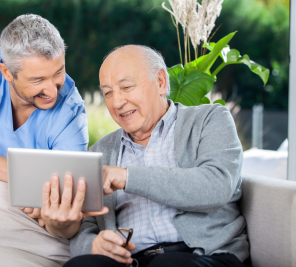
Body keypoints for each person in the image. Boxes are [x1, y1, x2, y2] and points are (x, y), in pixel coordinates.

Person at [66, 45, 249, 267]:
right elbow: (86, 224)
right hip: (132, 262)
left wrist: (127, 177)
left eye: (126, 87)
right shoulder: (100, 152)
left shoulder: (209, 120)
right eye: (108, 92)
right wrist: (93, 245)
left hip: (205, 255)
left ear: (161, 82)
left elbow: (216, 186)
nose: (116, 102)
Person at [0, 14, 106, 240]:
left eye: (58, 73)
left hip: (14, 223)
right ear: (6, 72)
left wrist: (51, 208)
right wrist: (33, 182)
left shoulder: (70, 110)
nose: (53, 91)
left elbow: (67, 200)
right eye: (37, 80)